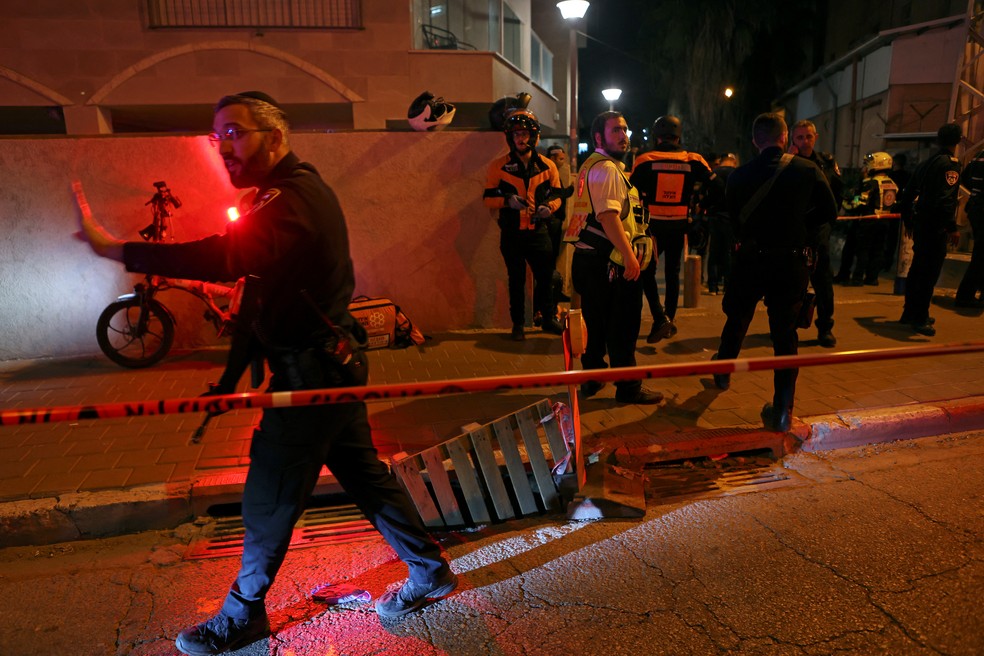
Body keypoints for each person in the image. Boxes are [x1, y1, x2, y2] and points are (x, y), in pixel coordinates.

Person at [76, 91, 456, 655]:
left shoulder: (294, 198)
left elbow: (225, 258)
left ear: (274, 137)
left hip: (314, 375)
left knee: (269, 497)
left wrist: (121, 250)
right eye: (216, 135)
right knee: (361, 473)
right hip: (324, 364)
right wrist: (236, 375)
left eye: (234, 132)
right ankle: (428, 571)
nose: (222, 146)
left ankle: (241, 615)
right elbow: (257, 290)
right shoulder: (280, 196)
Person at [712, 113, 837, 432]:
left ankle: (723, 371)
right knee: (785, 334)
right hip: (791, 262)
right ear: (785, 138)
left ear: (756, 140)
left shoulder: (738, 176)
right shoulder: (808, 170)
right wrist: (800, 232)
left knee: (737, 318)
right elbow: (829, 213)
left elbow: (733, 221)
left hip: (751, 260)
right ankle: (783, 408)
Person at [564, 111, 663, 404]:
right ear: (598, 137)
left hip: (589, 261)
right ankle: (628, 389)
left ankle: (592, 378)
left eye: (625, 129)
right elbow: (608, 217)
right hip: (610, 263)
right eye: (615, 130)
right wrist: (630, 257)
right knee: (623, 328)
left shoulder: (591, 165)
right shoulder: (607, 168)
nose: (623, 135)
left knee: (597, 325)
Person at [483, 109, 565, 340]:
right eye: (517, 134)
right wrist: (508, 201)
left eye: (526, 133)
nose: (521, 138)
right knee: (516, 281)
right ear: (510, 137)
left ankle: (548, 319)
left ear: (535, 136)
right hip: (512, 234)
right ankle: (518, 324)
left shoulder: (548, 166)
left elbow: (559, 195)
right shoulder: (498, 166)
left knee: (547, 277)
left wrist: (549, 207)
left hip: (540, 232)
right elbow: (487, 199)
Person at [630, 115, 712, 343]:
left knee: (646, 272)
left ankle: (659, 317)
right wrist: (700, 212)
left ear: (657, 137)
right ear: (679, 136)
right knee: (673, 272)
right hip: (679, 227)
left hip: (652, 227)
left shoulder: (645, 159)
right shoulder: (692, 159)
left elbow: (632, 193)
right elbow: (715, 183)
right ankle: (670, 318)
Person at [898, 123, 964, 336]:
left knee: (917, 269)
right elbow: (946, 200)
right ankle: (920, 317)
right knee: (928, 273)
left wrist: (908, 221)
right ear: (958, 141)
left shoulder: (927, 163)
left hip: (921, 224)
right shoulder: (950, 165)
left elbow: (907, 194)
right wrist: (952, 227)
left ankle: (909, 312)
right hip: (935, 227)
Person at [788, 119, 843, 347]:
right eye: (800, 137)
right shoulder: (786, 162)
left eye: (808, 136)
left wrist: (828, 222)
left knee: (823, 282)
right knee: (792, 284)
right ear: (792, 139)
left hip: (819, 231)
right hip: (794, 231)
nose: (805, 141)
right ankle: (788, 327)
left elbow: (838, 192)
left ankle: (825, 328)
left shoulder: (827, 163)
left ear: (815, 137)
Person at [842, 152, 898, 287]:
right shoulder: (892, 183)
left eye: (868, 164)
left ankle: (857, 278)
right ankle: (872, 278)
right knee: (878, 250)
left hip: (868, 221)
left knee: (863, 250)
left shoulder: (871, 183)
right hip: (885, 222)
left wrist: (845, 203)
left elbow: (860, 202)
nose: (866, 167)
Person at [699, 153, 739, 295]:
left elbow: (704, 194)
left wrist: (703, 205)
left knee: (714, 252)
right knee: (729, 252)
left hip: (714, 217)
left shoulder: (713, 173)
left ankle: (713, 286)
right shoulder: (737, 173)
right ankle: (728, 286)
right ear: (734, 162)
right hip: (731, 218)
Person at [955, 149, 984, 307]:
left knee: (980, 255)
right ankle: (965, 296)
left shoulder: (979, 156)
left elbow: (964, 179)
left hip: (975, 209)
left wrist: (975, 193)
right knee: (980, 257)